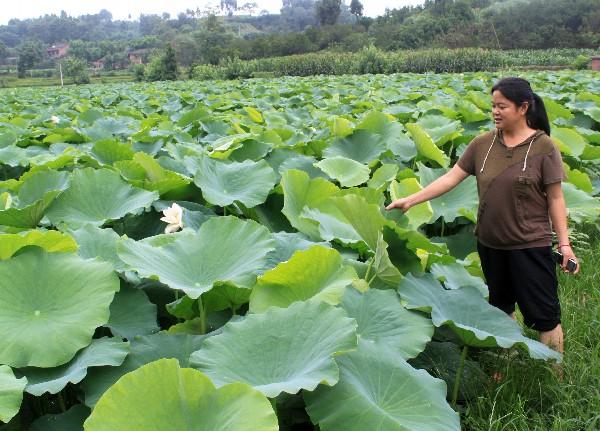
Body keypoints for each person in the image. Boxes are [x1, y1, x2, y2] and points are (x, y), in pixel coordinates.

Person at [386, 77, 579, 354]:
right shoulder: (482, 144)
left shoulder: (543, 147)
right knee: (501, 308)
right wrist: (411, 200)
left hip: (530, 245)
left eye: (502, 106)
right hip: (490, 244)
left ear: (523, 108)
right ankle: (507, 360)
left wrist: (564, 245)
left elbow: (556, 199)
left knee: (544, 315)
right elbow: (451, 178)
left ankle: (553, 374)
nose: (495, 112)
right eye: (493, 106)